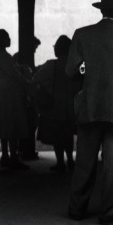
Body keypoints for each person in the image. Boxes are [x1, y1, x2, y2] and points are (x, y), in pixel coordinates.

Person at [65, 0, 113, 224]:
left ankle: (77, 209)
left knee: (84, 162)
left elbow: (70, 71)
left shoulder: (83, 34)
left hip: (90, 105)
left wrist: (88, 71)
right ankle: (109, 213)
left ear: (102, 9)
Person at [32, 35, 78, 172]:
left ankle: (60, 163)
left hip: (55, 107)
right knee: (68, 135)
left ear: (57, 49)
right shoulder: (78, 65)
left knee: (58, 137)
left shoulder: (52, 65)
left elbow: (36, 79)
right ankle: (70, 159)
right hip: (72, 106)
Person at [0, 29, 31, 170]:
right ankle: (13, 157)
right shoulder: (5, 56)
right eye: (7, 37)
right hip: (11, 93)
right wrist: (28, 81)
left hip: (3, 91)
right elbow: (15, 75)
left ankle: (5, 155)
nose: (9, 39)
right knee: (12, 124)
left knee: (4, 124)